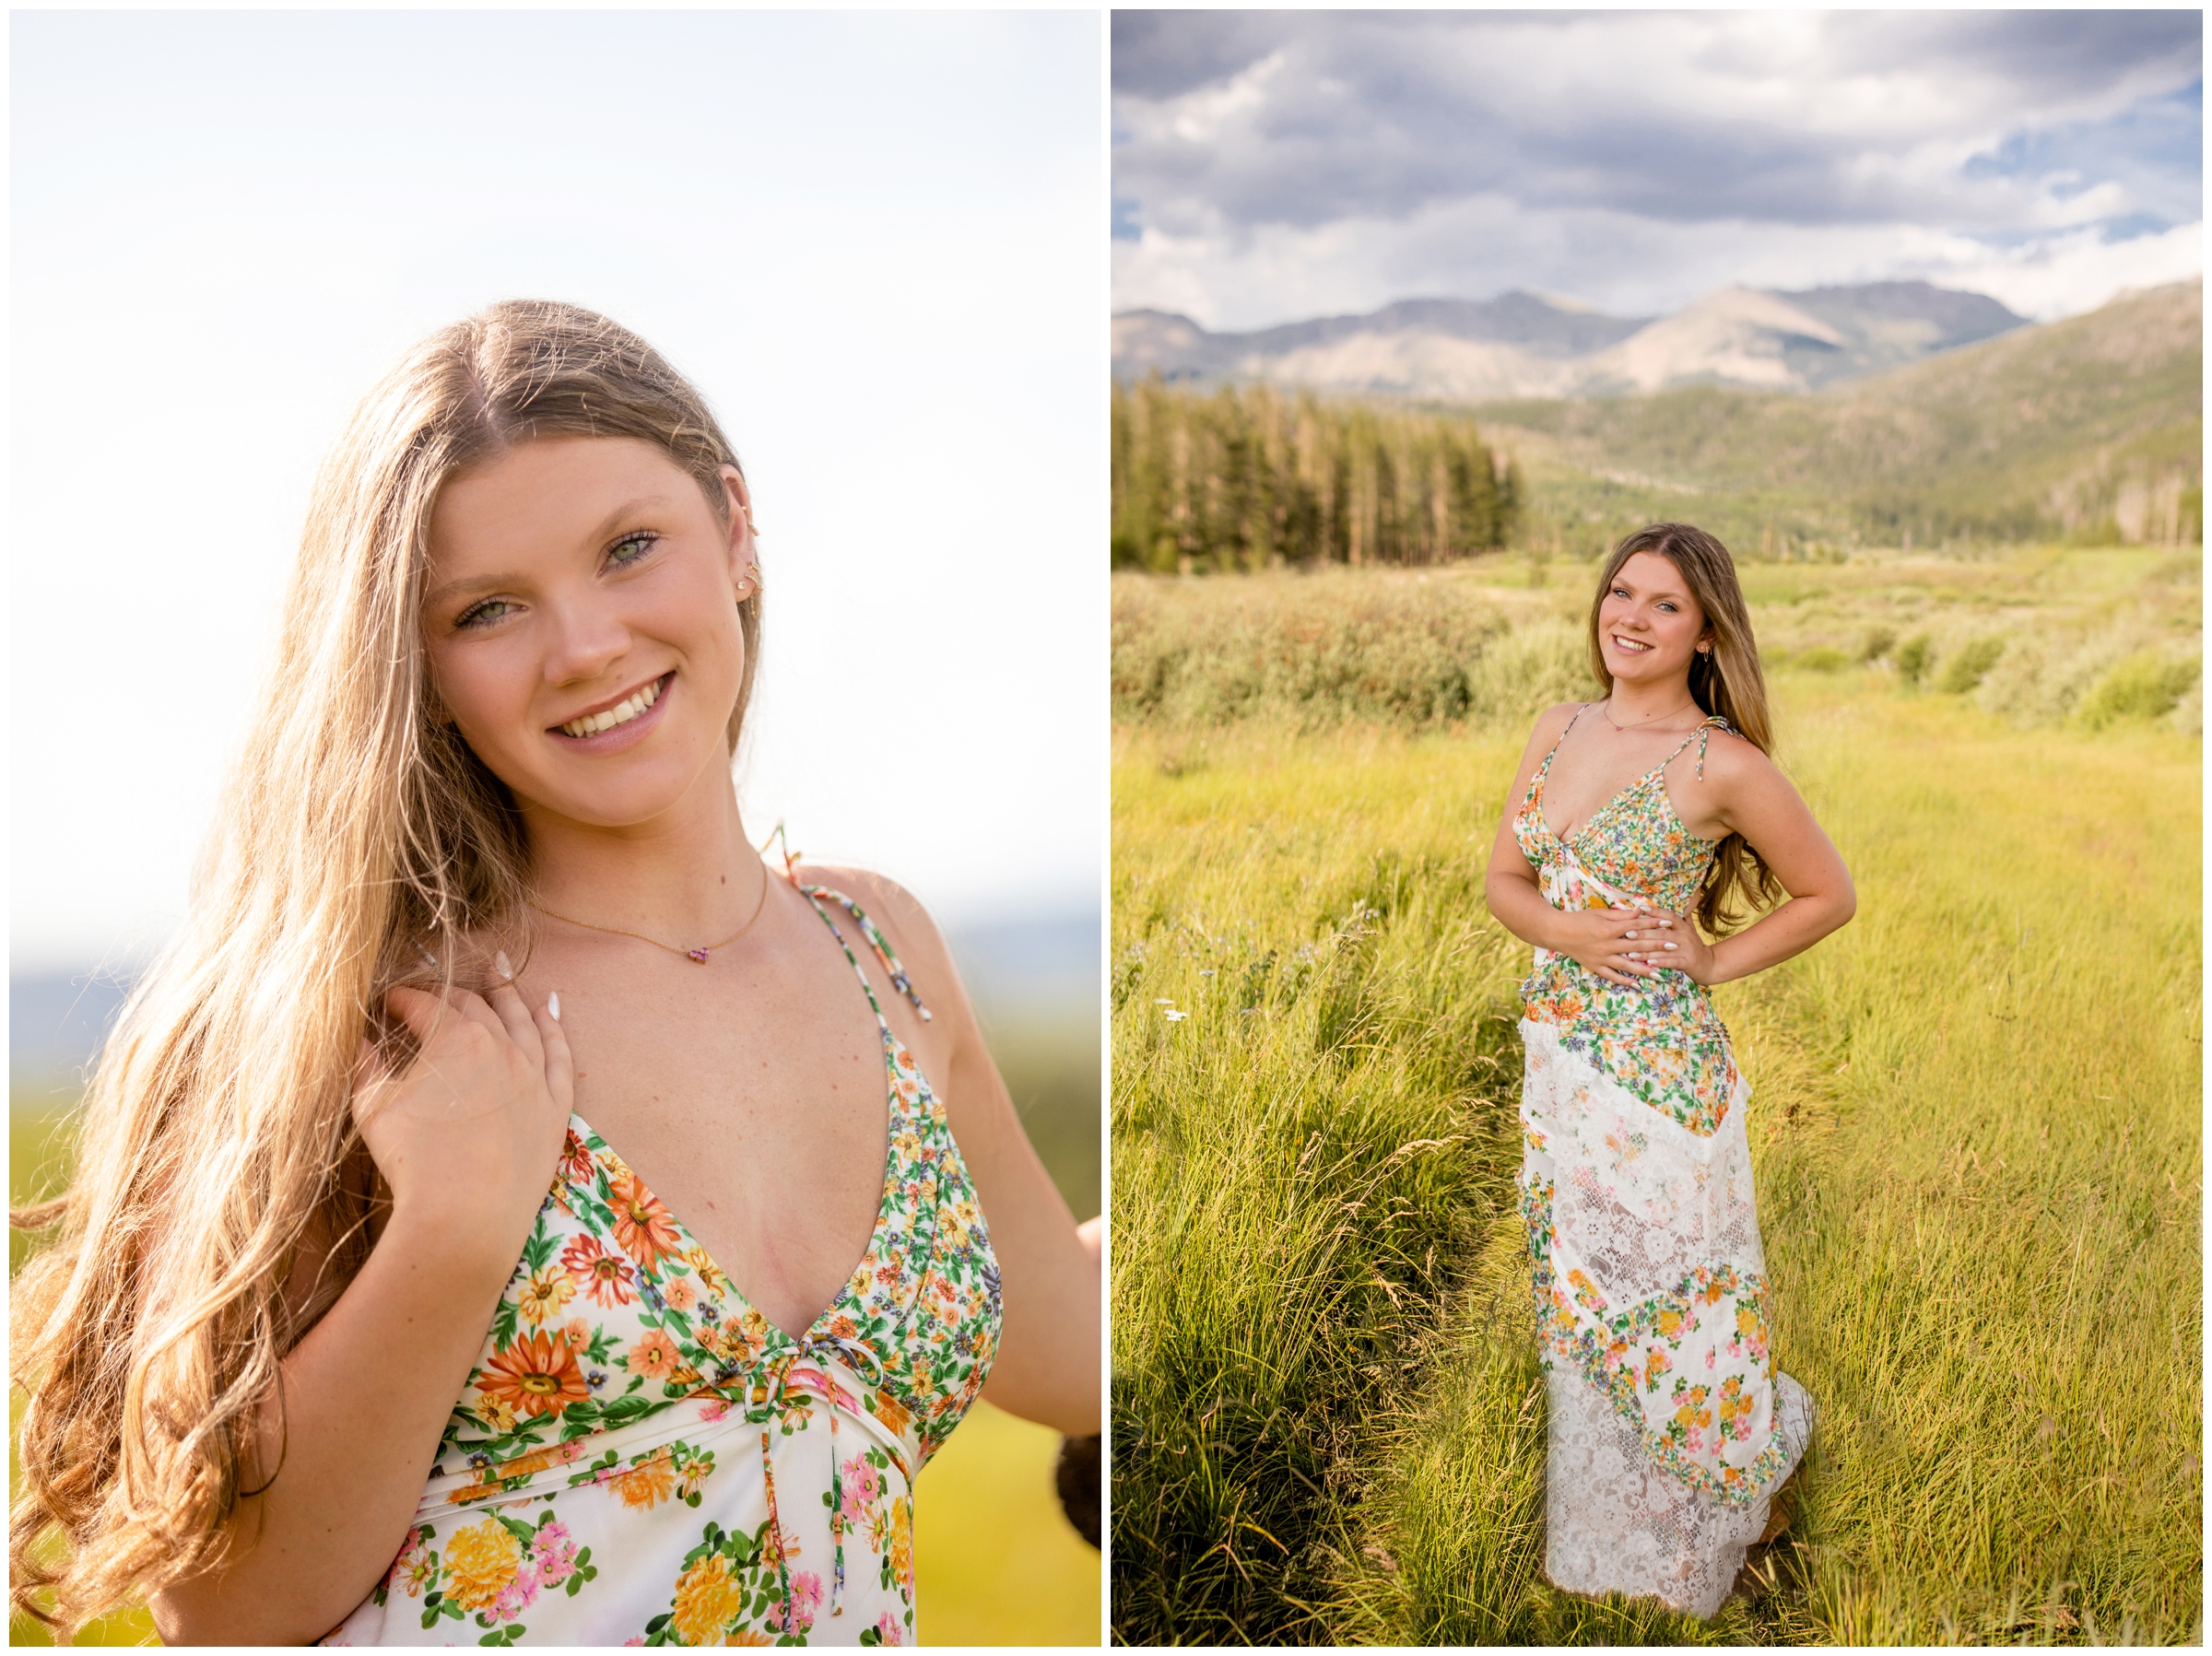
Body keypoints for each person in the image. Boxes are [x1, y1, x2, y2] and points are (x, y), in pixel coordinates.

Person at [9, 300, 1101, 1646]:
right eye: (490, 608)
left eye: (629, 547)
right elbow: (224, 1609)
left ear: (738, 529)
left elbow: (1064, 1337)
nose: (583, 645)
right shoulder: (381, 1017)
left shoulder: (883, 954)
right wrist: (453, 1230)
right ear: (419, 663)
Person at [1482, 523, 1854, 1619]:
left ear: (1703, 635)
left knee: (1673, 1298)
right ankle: (1611, 1534)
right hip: (1559, 1056)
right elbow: (1504, 879)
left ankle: (1729, 1506)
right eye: (1621, 593)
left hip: (1656, 1069)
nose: (1630, 619)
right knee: (1587, 1293)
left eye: (1664, 607)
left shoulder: (1720, 763)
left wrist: (1709, 958)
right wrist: (1567, 931)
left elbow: (1828, 894)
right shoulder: (1558, 727)